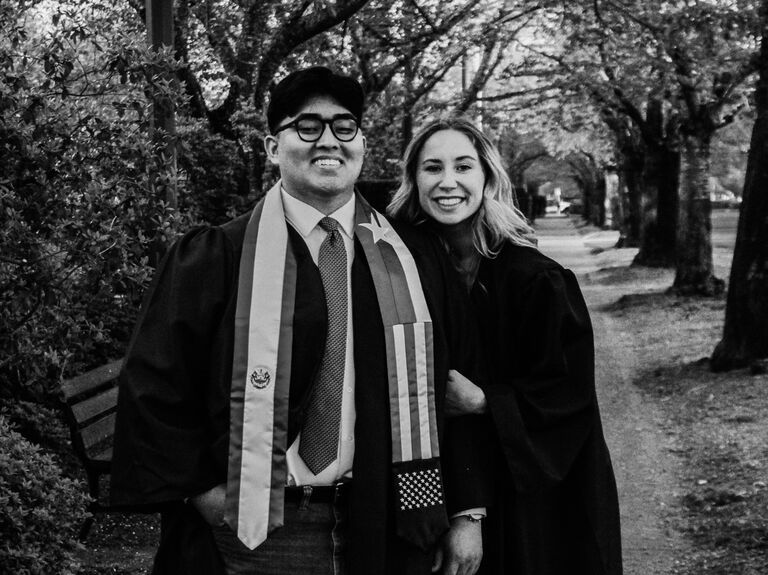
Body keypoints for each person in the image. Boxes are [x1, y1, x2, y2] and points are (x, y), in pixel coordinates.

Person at [110, 68, 491, 575]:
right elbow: (156, 386)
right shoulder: (219, 255)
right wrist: (203, 493)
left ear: (360, 143)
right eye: (307, 126)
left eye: (344, 126)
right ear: (272, 147)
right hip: (260, 532)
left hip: (389, 520)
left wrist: (467, 512)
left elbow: (453, 385)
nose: (328, 140)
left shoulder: (414, 257)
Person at [388, 117, 623, 575]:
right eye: (432, 168)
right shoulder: (401, 270)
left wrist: (486, 402)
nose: (448, 182)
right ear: (413, 181)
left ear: (488, 178)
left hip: (533, 491)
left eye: (463, 167)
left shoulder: (535, 280)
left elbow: (569, 395)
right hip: (436, 481)